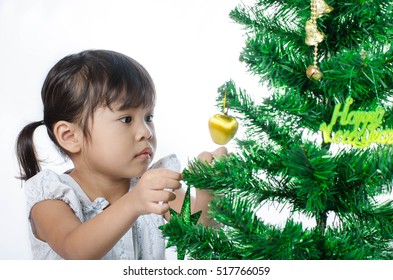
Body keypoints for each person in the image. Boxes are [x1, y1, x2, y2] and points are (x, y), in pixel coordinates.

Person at [16, 49, 227, 260]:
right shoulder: (52, 197)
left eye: (148, 117)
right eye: (126, 119)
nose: (146, 131)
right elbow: (75, 251)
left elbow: (201, 236)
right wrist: (133, 203)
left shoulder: (151, 187)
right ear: (70, 136)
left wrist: (209, 191)